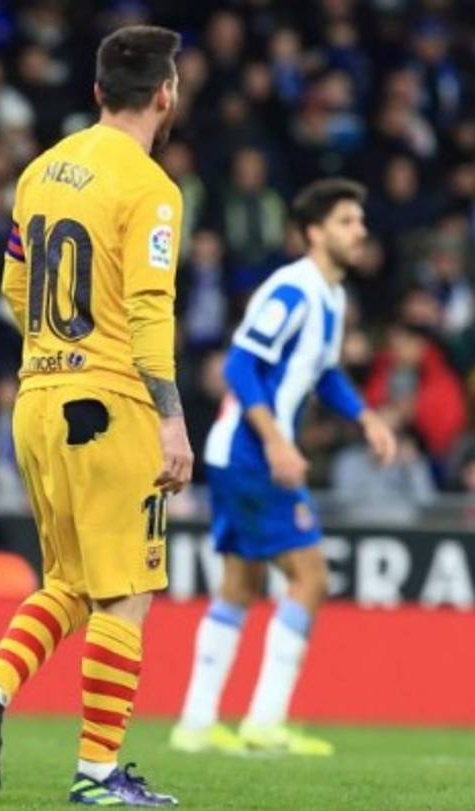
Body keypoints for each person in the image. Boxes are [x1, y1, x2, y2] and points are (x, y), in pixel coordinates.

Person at [0, 26, 192, 807]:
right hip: (111, 404)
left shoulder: (39, 172)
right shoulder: (151, 189)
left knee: (73, 582)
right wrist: (172, 420)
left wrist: (57, 352)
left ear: (96, 94)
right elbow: (152, 310)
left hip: (37, 398)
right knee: (128, 592)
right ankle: (96, 773)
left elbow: (16, 289)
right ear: (166, 94)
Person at [170, 179, 397, 756]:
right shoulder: (293, 289)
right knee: (311, 577)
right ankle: (264, 722)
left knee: (241, 585)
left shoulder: (332, 296)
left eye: (360, 221)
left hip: (237, 453)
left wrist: (365, 417)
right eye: (347, 221)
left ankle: (196, 725)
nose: (360, 231)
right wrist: (275, 442)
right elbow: (242, 366)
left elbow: (322, 373)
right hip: (250, 454)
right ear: (315, 232)